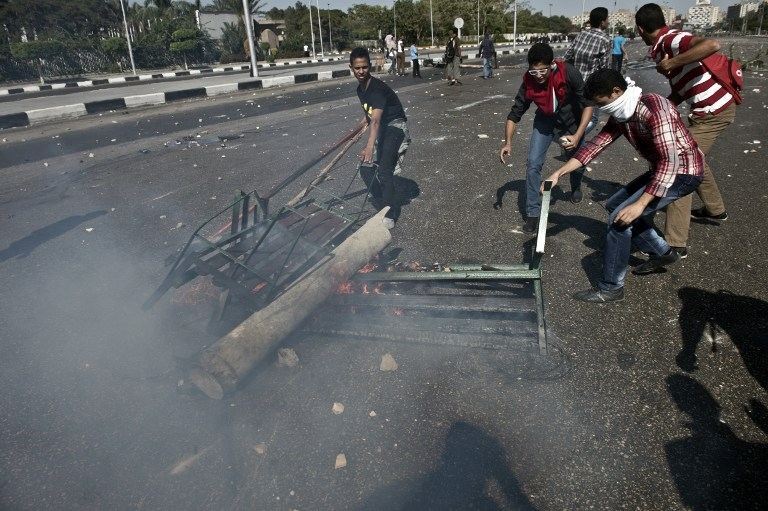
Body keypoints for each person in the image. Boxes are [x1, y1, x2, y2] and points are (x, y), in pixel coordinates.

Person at [543, 69, 704, 303]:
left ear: (616, 91)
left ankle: (611, 287)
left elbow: (671, 162)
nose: (600, 109)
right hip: (661, 169)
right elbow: (597, 144)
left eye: (601, 103)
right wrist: (558, 173)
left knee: (620, 219)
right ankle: (662, 253)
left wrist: (640, 204)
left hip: (683, 173)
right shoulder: (621, 111)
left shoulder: (655, 109)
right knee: (615, 205)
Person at [636, 3, 736, 259]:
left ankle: (675, 243)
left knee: (681, 167)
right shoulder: (662, 46)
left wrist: (674, 63)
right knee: (696, 158)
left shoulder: (671, 40)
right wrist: (665, 106)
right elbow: (682, 87)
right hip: (705, 110)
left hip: (713, 111)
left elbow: (711, 45)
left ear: (640, 29)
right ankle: (715, 209)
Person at [499, 43, 593, 233]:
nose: (539, 75)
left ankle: (575, 186)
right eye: (534, 71)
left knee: (577, 161)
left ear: (551, 65)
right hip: (545, 121)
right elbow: (515, 114)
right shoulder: (529, 81)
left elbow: (588, 104)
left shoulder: (568, 72)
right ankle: (533, 213)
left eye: (543, 70)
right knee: (533, 163)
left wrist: (577, 134)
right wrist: (508, 142)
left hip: (571, 121)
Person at [349, 47, 411, 229]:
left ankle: (390, 213)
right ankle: (383, 201)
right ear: (351, 67)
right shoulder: (360, 90)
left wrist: (369, 147)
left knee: (384, 171)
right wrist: (356, 130)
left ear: (370, 66)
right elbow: (369, 116)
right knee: (365, 168)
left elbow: (375, 121)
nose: (361, 72)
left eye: (365, 67)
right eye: (357, 68)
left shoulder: (376, 89)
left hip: (396, 127)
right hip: (383, 128)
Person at [563, 7, 611, 132]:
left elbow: (567, 57)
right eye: (607, 19)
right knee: (592, 118)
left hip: (572, 83)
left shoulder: (581, 34)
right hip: (589, 87)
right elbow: (604, 68)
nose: (608, 21)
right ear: (602, 22)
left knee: (576, 115)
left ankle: (572, 140)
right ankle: (574, 140)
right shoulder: (605, 39)